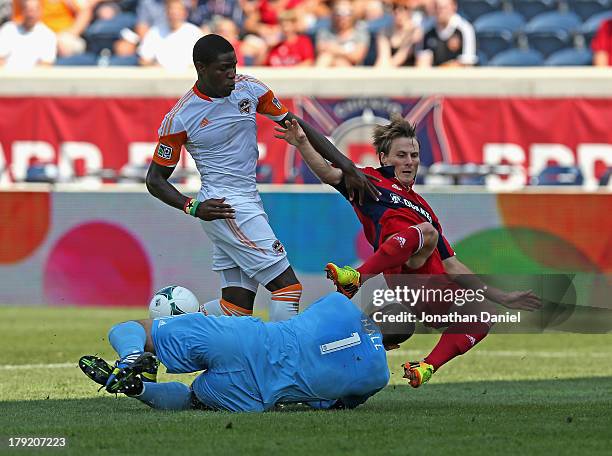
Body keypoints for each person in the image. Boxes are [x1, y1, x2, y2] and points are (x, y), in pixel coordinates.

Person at [274, 116, 541, 388]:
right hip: (406, 272)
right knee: (423, 237)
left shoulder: (424, 207)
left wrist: (502, 296)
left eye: (414, 155)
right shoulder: (369, 180)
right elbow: (329, 173)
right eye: (401, 155)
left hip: (431, 286)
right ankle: (354, 287)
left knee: (485, 313)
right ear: (383, 157)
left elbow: (453, 266)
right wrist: (302, 143)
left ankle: (426, 367)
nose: (409, 161)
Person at [145, 34, 379, 322]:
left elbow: (299, 126)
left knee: (236, 308)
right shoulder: (180, 117)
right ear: (200, 68)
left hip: (246, 200)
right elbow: (155, 179)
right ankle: (283, 363)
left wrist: (348, 165)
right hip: (226, 206)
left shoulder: (250, 89)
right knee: (288, 289)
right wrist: (192, 207)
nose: (231, 73)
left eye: (233, 65)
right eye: (222, 68)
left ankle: (166, 328)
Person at [78, 292, 412, 412]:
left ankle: (131, 358)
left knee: (138, 329)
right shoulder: (378, 377)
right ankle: (140, 390)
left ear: (371, 308)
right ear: (394, 345)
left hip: (242, 338)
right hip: (259, 392)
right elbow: (337, 405)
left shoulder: (341, 304)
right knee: (194, 401)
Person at [138, 0, 202, 70]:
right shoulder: (155, 32)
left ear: (185, 13)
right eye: (171, 11)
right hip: (161, 76)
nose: (174, 14)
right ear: (166, 13)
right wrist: (154, 66)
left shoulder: (195, 32)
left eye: (177, 11)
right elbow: (143, 60)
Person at [415, 0, 476, 67]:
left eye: (443, 8)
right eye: (436, 7)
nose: (439, 11)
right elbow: (422, 62)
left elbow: (467, 63)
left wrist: (440, 71)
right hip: (433, 76)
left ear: (454, 7)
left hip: (457, 77)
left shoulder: (465, 29)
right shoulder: (427, 30)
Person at [0, 0, 56, 69]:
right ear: (22, 11)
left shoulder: (48, 35)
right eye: (28, 10)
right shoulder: (8, 30)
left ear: (40, 12)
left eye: (34, 10)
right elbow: (1, 60)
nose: (31, 14)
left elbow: (46, 65)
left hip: (33, 78)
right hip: (8, 77)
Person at [315, 0, 370, 67]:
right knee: (325, 57)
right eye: (339, 13)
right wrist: (345, 52)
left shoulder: (360, 32)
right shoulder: (325, 31)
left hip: (353, 69)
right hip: (328, 63)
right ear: (333, 14)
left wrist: (335, 49)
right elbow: (320, 49)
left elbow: (357, 56)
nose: (342, 17)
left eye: (347, 13)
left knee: (339, 62)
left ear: (352, 14)